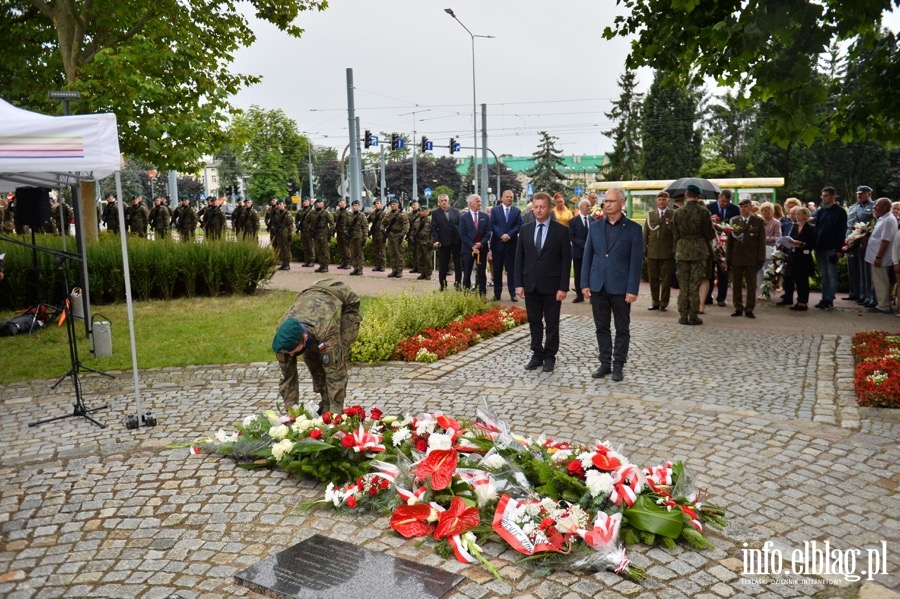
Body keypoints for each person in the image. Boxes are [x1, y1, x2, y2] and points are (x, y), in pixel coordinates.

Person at [272, 279, 362, 414]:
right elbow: (287, 377)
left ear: (304, 338)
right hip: (311, 297)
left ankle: (332, 409)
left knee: (334, 360)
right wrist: (292, 414)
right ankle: (325, 401)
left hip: (344, 300)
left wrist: (335, 418)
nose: (290, 355)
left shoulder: (326, 331)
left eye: (292, 351)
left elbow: (335, 374)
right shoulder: (283, 339)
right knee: (311, 360)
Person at [581, 188, 643, 382]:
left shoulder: (633, 229)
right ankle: (605, 362)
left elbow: (636, 262)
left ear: (622, 202)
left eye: (611, 201)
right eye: (605, 201)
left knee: (622, 328)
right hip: (598, 285)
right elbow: (588, 255)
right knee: (601, 326)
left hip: (621, 287)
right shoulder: (595, 227)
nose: (607, 204)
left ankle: (618, 365)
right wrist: (584, 282)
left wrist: (632, 289)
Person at [514, 192, 571, 373]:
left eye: (542, 207)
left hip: (552, 286)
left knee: (552, 322)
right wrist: (518, 284)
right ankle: (537, 354)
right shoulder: (525, 229)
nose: (538, 210)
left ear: (549, 208)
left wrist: (563, 287)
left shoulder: (561, 230)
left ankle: (549, 356)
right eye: (535, 207)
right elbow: (519, 259)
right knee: (534, 321)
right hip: (531, 284)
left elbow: (565, 261)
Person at [673, 184, 716, 325]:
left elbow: (674, 233)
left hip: (682, 251)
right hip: (698, 251)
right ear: (698, 196)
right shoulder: (704, 212)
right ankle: (693, 316)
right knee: (695, 285)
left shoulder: (678, 213)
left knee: (683, 285)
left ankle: (683, 315)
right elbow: (710, 234)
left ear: (686, 195)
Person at [725, 198, 767, 318]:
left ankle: (749, 308)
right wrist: (728, 258)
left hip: (751, 258)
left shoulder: (758, 221)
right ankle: (738, 307)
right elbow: (730, 242)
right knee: (736, 284)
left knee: (751, 285)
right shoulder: (734, 220)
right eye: (741, 207)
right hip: (736, 257)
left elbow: (761, 242)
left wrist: (761, 258)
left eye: (746, 207)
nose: (743, 209)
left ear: (751, 208)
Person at [813, 187, 848, 310]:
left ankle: (829, 298)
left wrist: (839, 249)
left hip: (832, 247)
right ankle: (824, 297)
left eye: (826, 196)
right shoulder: (821, 211)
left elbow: (841, 231)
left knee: (831, 274)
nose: (823, 198)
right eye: (822, 196)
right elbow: (817, 229)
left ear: (834, 196)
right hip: (820, 247)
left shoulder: (840, 212)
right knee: (824, 275)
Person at [643, 191, 676, 311]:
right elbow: (646, 233)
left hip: (667, 252)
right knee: (653, 279)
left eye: (664, 200)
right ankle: (655, 301)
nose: (661, 202)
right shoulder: (651, 214)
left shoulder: (673, 214)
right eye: (660, 200)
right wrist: (644, 249)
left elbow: (675, 235)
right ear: (656, 201)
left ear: (668, 201)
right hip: (652, 251)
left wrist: (674, 250)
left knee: (666, 280)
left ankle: (664, 303)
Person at [707, 190, 739, 306]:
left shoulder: (735, 209)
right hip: (712, 245)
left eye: (727, 202)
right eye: (723, 201)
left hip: (726, 246)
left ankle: (721, 298)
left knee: (723, 272)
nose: (725, 204)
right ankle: (707, 296)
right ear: (719, 197)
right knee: (709, 272)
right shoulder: (709, 208)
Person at [865, 198, 897, 314]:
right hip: (876, 256)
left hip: (881, 257)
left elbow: (885, 240)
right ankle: (882, 303)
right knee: (879, 280)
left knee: (881, 281)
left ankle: (883, 306)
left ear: (885, 207)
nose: (874, 207)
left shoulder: (888, 220)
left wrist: (879, 257)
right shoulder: (883, 218)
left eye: (877, 205)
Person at [845, 185, 876, 306]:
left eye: (862, 193)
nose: (859, 195)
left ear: (869, 194)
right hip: (852, 241)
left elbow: (874, 225)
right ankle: (854, 292)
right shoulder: (853, 207)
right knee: (852, 269)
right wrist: (847, 240)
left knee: (865, 271)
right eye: (858, 193)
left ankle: (866, 295)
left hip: (865, 242)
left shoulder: (873, 206)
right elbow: (848, 224)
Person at [490, 190, 522, 302]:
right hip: (498, 245)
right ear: (502, 198)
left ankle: (512, 293)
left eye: (511, 197)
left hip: (511, 245)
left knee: (511, 270)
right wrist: (501, 235)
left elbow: (519, 225)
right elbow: (492, 224)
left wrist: (509, 235)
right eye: (507, 197)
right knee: (497, 270)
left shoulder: (516, 211)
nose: (509, 199)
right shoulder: (495, 210)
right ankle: (497, 293)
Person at [460, 194, 491, 296]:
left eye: (480, 201)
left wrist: (480, 244)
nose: (480, 203)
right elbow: (463, 234)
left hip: (482, 249)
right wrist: (473, 246)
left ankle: (482, 295)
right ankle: (467, 295)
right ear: (470, 203)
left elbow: (488, 233)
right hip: (468, 250)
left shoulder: (485, 216)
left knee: (482, 273)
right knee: (467, 273)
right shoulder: (464, 217)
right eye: (477, 201)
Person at [787, 207, 816, 311]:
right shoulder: (795, 227)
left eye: (799, 214)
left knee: (803, 280)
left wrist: (802, 243)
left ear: (805, 215)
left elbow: (812, 243)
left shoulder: (810, 228)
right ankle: (799, 300)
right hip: (794, 256)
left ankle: (803, 302)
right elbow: (790, 238)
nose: (797, 216)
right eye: (796, 214)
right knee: (797, 279)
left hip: (804, 257)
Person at [431, 194, 462, 291]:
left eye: (445, 200)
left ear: (448, 201)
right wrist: (436, 240)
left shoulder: (456, 211)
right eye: (442, 201)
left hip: (456, 241)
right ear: (439, 203)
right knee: (443, 264)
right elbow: (434, 228)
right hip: (443, 242)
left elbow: (460, 225)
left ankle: (458, 284)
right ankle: (443, 285)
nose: (444, 202)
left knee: (458, 264)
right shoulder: (435, 213)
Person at [569, 199, 592, 304]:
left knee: (591, 274)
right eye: (587, 205)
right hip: (578, 252)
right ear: (581, 207)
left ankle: (592, 295)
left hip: (591, 253)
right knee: (578, 274)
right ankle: (579, 295)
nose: (589, 207)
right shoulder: (573, 221)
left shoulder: (593, 220)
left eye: (590, 206)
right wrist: (584, 244)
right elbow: (572, 236)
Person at [382, 198, 409, 278]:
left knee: (399, 254)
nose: (392, 206)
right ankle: (394, 270)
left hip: (398, 235)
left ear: (398, 205)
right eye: (391, 204)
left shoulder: (402, 214)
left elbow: (406, 225)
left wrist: (402, 235)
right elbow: (383, 223)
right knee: (392, 253)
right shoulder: (388, 214)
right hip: (391, 235)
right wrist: (383, 231)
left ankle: (399, 271)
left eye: (394, 204)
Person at [307, 198, 334, 273]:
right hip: (316, 234)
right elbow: (306, 222)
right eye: (318, 202)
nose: (319, 204)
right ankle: (321, 265)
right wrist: (310, 229)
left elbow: (332, 224)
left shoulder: (326, 213)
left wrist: (329, 233)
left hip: (324, 234)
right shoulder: (312, 213)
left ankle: (325, 266)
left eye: (320, 202)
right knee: (318, 250)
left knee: (324, 250)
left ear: (323, 204)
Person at [269, 199, 294, 270]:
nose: (279, 206)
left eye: (281, 204)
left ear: (284, 205)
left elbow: (290, 225)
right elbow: (273, 221)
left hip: (285, 233)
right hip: (279, 233)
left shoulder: (287, 213)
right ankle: (283, 263)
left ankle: (287, 263)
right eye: (278, 204)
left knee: (286, 248)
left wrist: (290, 234)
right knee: (281, 248)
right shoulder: (277, 213)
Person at [347, 199, 368, 276]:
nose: (355, 207)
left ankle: (360, 268)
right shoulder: (350, 215)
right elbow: (347, 226)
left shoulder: (362, 215)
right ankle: (355, 268)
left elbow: (365, 227)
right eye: (353, 206)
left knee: (360, 254)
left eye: (356, 206)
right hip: (352, 237)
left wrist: (365, 238)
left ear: (359, 206)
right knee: (353, 253)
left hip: (359, 237)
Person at [412, 204, 433, 280]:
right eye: (420, 211)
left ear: (427, 212)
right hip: (419, 242)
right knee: (420, 258)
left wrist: (431, 242)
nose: (421, 212)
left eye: (423, 211)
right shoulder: (417, 221)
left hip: (427, 242)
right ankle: (422, 273)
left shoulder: (430, 221)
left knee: (428, 259)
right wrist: (412, 238)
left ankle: (428, 273)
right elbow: (413, 231)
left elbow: (433, 233)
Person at [368, 200, 386, 272]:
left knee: (382, 250)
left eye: (378, 203)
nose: (376, 205)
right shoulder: (372, 214)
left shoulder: (384, 213)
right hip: (375, 234)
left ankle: (382, 266)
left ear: (381, 205)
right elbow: (366, 221)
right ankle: (377, 265)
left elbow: (387, 223)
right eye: (375, 204)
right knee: (375, 250)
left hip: (381, 234)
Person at [296, 198, 314, 266]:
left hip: (309, 231)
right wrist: (297, 225)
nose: (304, 202)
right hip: (302, 230)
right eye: (303, 201)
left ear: (309, 202)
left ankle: (311, 260)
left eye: (306, 201)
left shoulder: (311, 211)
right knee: (304, 246)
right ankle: (307, 260)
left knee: (310, 246)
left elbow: (314, 221)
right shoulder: (300, 211)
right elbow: (296, 219)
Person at [334, 199, 351, 270]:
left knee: (346, 248)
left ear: (345, 204)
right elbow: (335, 220)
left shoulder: (348, 213)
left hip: (345, 233)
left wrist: (349, 232)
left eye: (342, 202)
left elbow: (350, 224)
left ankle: (348, 263)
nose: (340, 204)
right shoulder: (337, 212)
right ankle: (343, 262)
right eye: (340, 202)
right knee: (340, 248)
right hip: (339, 232)